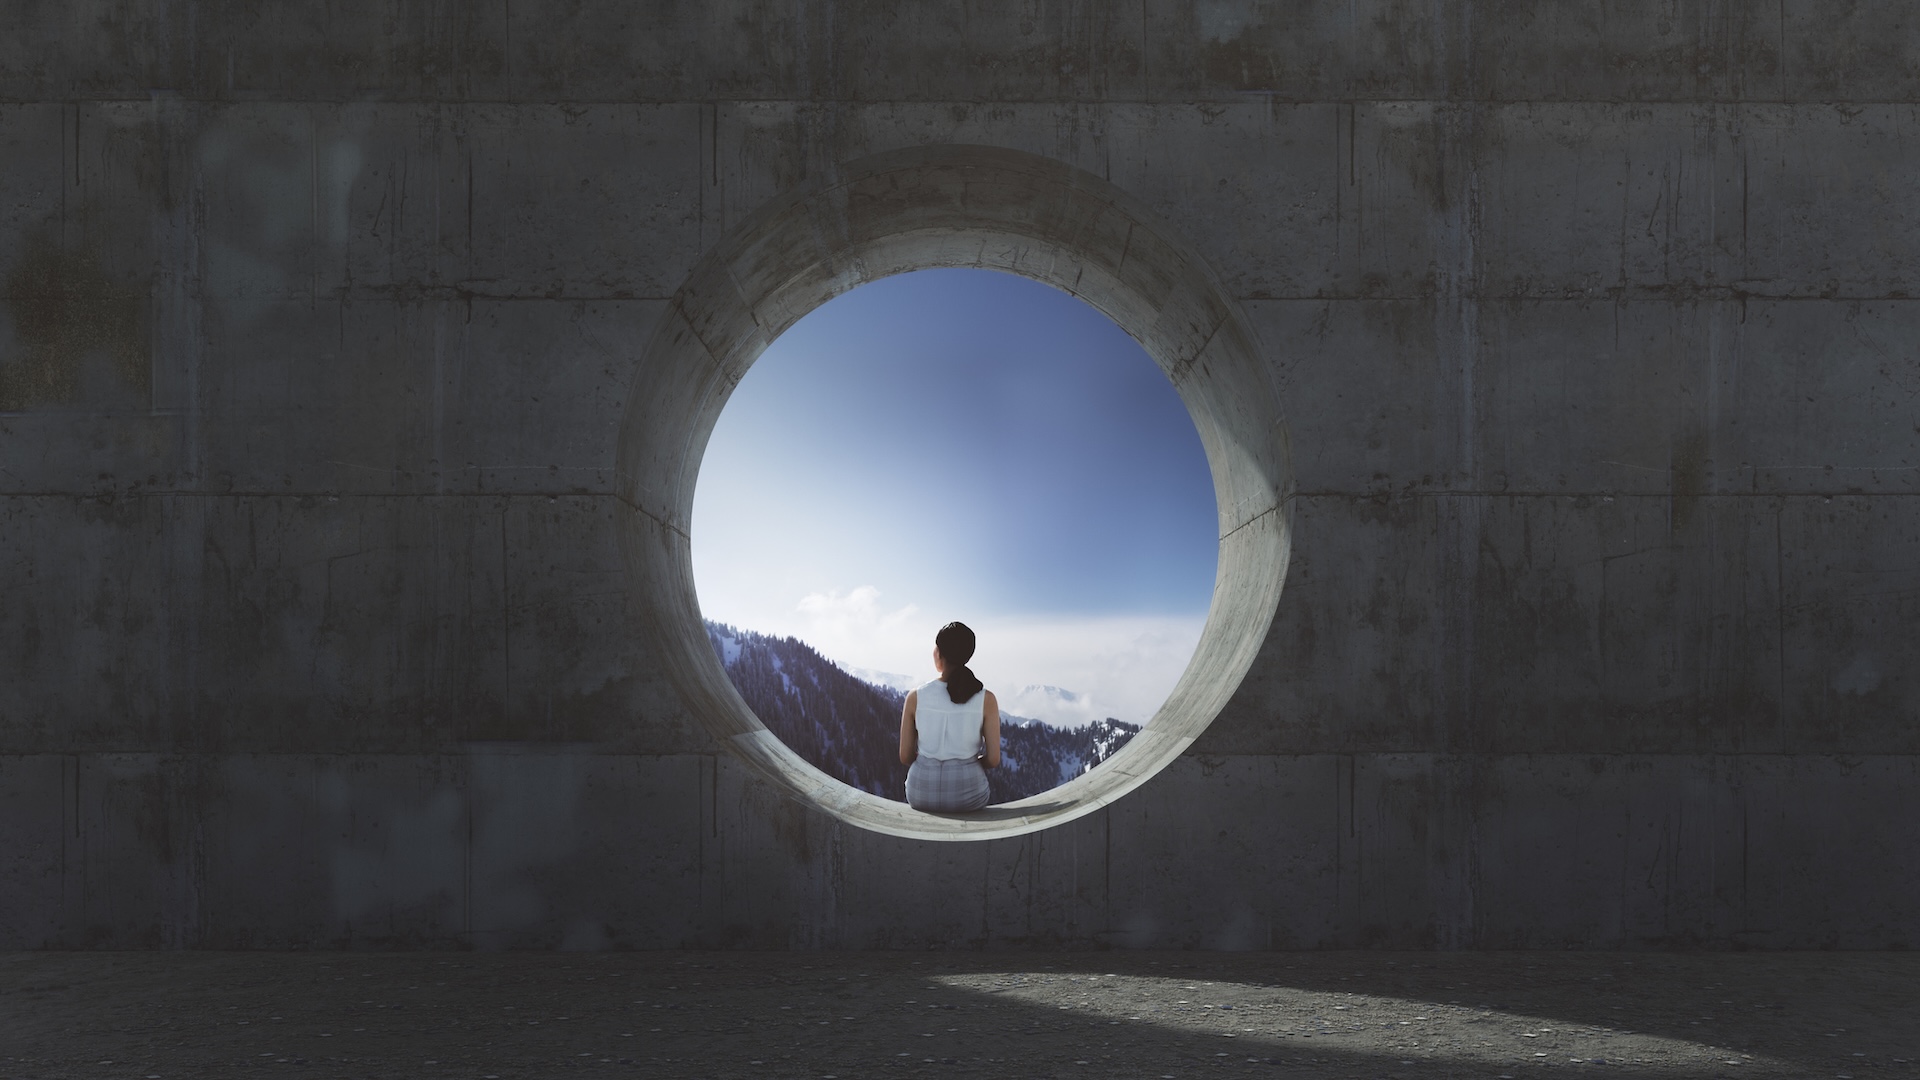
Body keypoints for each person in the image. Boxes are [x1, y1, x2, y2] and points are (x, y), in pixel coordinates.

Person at [898, 621, 1002, 812]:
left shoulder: (915, 697)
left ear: (938, 654)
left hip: (920, 793)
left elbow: (905, 756)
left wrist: (930, 762)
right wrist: (968, 763)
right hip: (968, 793)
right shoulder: (986, 699)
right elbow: (993, 759)